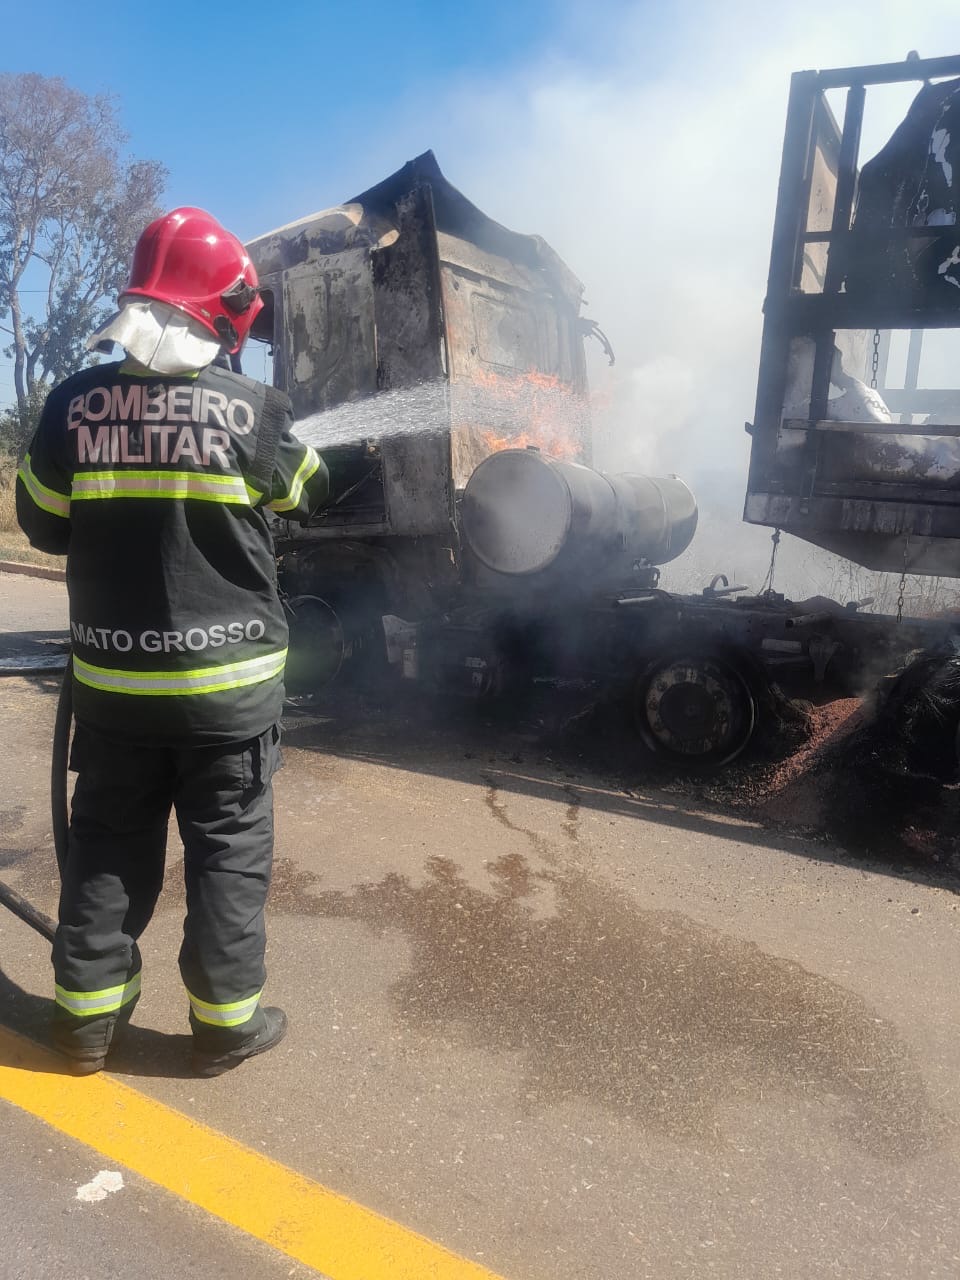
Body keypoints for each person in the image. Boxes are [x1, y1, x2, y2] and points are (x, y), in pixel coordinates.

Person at [16, 207, 329, 1077]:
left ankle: (82, 1026)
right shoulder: (255, 409)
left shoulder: (73, 405)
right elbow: (309, 488)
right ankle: (225, 1026)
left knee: (107, 851)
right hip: (230, 696)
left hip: (115, 694)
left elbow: (40, 523)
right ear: (221, 313)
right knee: (228, 853)